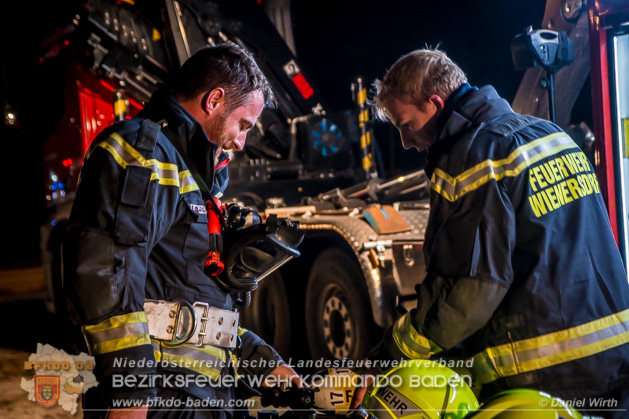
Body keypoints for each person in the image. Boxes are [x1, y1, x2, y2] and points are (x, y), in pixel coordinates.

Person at [351, 48, 629, 418]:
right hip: (615, 360)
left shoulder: (474, 158)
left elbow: (468, 291)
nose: (406, 141)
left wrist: (390, 354)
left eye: (406, 125)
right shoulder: (551, 134)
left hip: (542, 374)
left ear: (435, 103)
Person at [63, 44, 302, 418]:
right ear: (215, 100)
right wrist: (131, 396)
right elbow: (106, 279)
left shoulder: (192, 178)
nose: (241, 142)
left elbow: (185, 310)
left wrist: (262, 362)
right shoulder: (144, 154)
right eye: (243, 125)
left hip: (200, 399)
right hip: (161, 400)